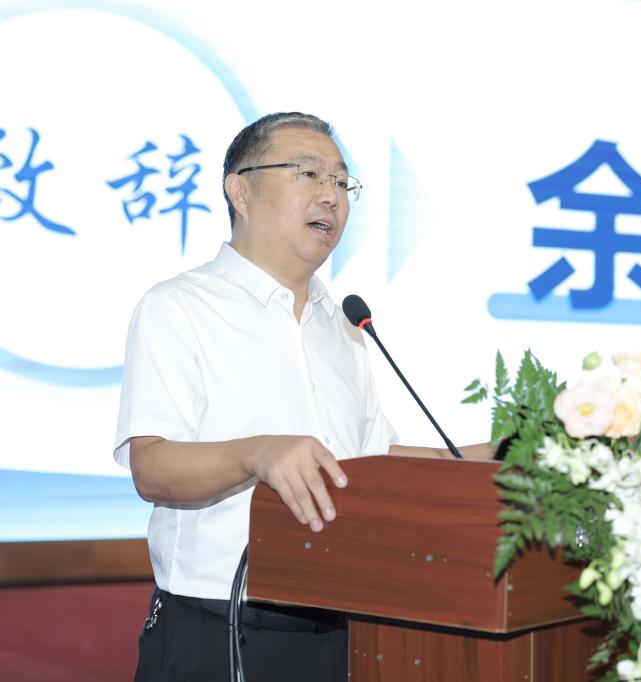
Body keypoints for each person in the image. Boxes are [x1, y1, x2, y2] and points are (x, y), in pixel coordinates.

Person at [114, 112, 477, 681]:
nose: (331, 195)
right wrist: (256, 453)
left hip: (342, 630)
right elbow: (152, 467)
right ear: (240, 190)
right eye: (308, 173)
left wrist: (493, 457)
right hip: (220, 631)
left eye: (341, 181)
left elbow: (371, 461)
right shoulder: (179, 307)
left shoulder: (344, 326)